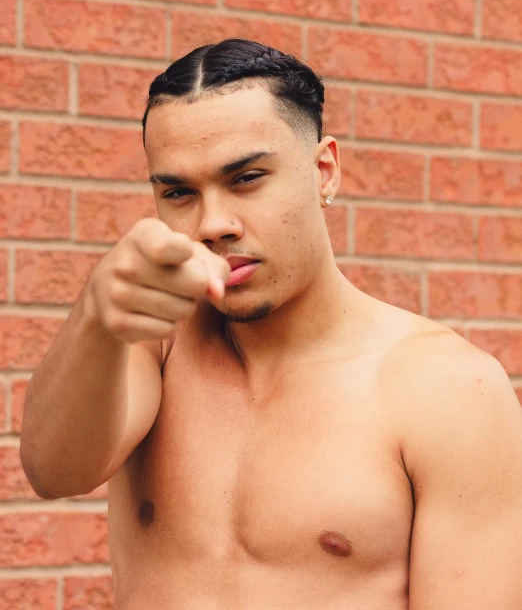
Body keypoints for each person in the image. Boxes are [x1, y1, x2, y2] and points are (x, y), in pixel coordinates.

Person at [20, 39, 522, 609]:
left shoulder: (448, 389)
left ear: (324, 169)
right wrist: (95, 315)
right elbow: (53, 473)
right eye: (179, 192)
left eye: (247, 178)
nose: (213, 223)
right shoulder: (154, 345)